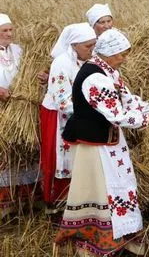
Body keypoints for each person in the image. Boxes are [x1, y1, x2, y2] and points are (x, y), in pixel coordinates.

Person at [54, 28, 149, 256]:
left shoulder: (108, 71)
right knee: (101, 190)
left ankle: (120, 239)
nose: (124, 58)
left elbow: (127, 100)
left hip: (108, 142)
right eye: (121, 54)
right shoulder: (96, 78)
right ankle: (96, 245)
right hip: (95, 147)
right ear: (108, 54)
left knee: (117, 187)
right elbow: (117, 115)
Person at [39, 23, 97, 214]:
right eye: (88, 46)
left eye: (93, 45)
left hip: (81, 115)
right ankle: (57, 203)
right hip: (59, 116)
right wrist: (94, 113)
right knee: (61, 157)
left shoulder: (88, 61)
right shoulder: (61, 63)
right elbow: (62, 99)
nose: (92, 49)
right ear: (73, 45)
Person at [0, 13, 40, 218]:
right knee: (4, 154)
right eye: (4, 31)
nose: (9, 34)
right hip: (2, 112)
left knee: (24, 153)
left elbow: (30, 75)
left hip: (20, 109)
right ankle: (5, 205)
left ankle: (26, 200)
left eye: (10, 30)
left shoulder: (19, 51)